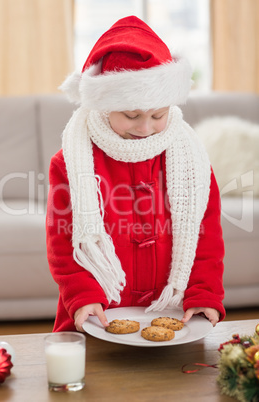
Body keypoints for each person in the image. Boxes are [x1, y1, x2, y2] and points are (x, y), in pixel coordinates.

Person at [46, 15, 225, 333]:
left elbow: (206, 238)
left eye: (158, 114)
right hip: (98, 314)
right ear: (104, 106)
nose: (145, 128)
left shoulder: (192, 162)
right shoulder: (70, 161)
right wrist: (83, 296)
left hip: (172, 312)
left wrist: (203, 294)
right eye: (131, 115)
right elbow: (63, 242)